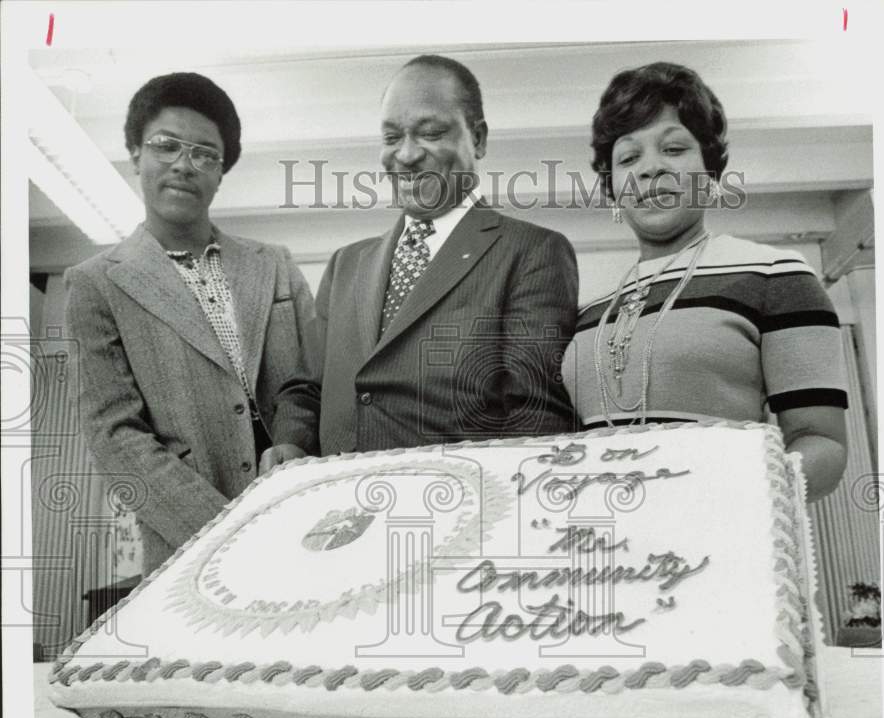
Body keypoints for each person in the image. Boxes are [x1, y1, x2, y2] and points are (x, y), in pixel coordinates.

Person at [262, 54, 578, 466]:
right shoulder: (346, 264)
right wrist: (292, 441)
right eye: (392, 138)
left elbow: (536, 419)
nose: (406, 155)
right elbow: (308, 390)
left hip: (458, 512)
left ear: (478, 139)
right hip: (342, 514)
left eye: (430, 133)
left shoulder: (533, 252)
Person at [65, 72, 317, 575]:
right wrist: (220, 531)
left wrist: (293, 439)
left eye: (205, 153)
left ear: (221, 172)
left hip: (297, 513)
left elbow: (305, 383)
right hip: (186, 544)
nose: (185, 164)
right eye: (166, 146)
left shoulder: (274, 265)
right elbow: (115, 433)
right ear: (136, 153)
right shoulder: (97, 284)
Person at [561, 62, 848, 500]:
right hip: (605, 546)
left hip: (722, 541)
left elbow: (822, 444)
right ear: (612, 188)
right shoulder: (589, 312)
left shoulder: (775, 275)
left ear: (710, 172)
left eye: (674, 149)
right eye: (628, 157)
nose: (649, 169)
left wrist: (725, 499)